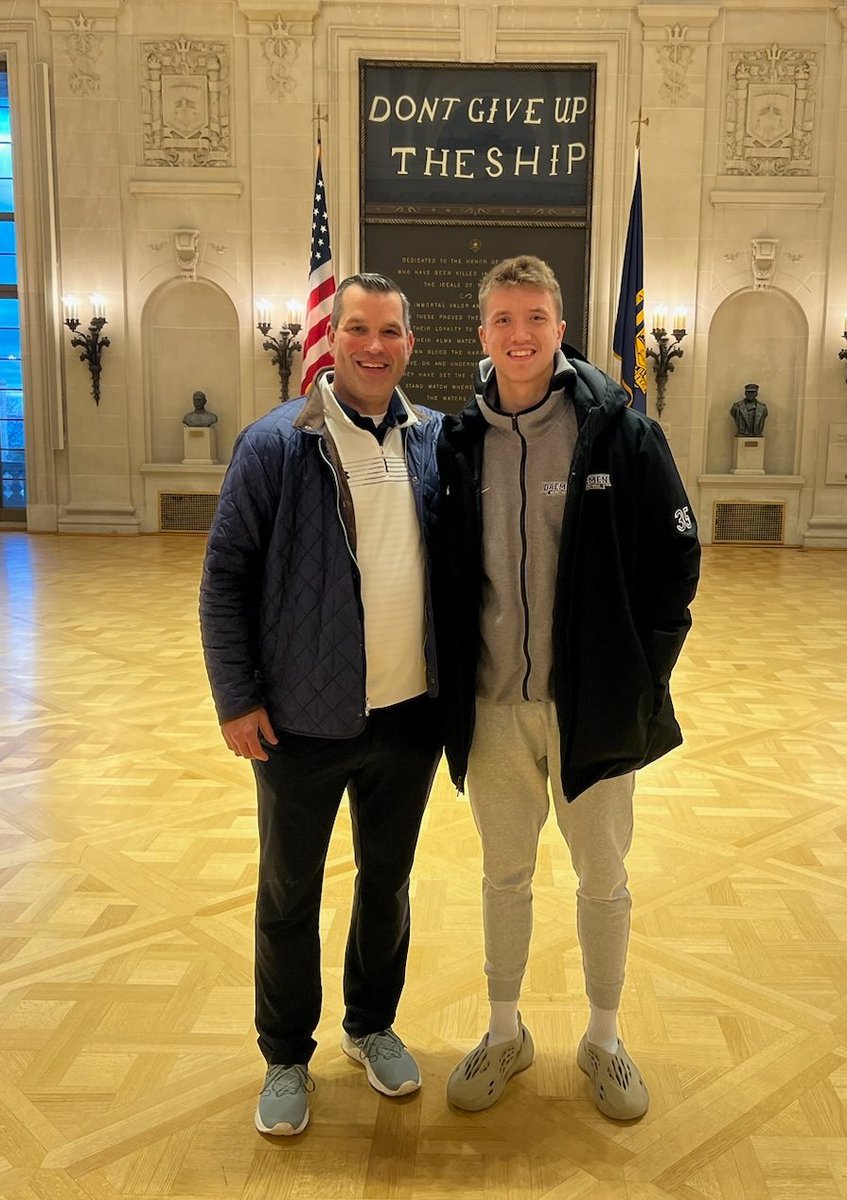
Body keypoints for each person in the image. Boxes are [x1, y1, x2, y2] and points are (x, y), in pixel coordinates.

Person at [434, 255, 700, 1121]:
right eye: (504, 319)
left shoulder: (619, 433)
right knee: (503, 876)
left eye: (536, 318)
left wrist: (639, 672)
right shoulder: (454, 442)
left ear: (560, 327)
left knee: (602, 878)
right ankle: (505, 1031)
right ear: (483, 334)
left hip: (591, 710)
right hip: (492, 710)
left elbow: (676, 562)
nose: (520, 335)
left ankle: (604, 1038)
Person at [199, 273, 442, 1137]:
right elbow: (224, 580)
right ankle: (285, 1056)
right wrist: (236, 698)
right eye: (357, 330)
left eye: (389, 331)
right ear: (330, 340)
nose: (373, 346)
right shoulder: (275, 444)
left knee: (387, 886)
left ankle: (371, 1026)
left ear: (410, 343)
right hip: (299, 718)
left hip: (409, 718)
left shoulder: (433, 442)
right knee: (288, 892)